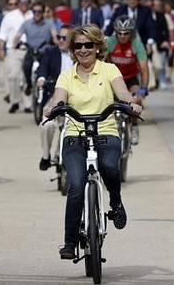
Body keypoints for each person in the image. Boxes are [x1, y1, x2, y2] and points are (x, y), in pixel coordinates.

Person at [43, 25, 142, 260]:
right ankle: (69, 242)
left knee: (109, 166)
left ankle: (115, 201)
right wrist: (52, 108)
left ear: (98, 47)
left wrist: (132, 103)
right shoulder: (67, 75)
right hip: (75, 134)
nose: (84, 50)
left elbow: (123, 93)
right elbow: (59, 99)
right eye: (78, 45)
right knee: (76, 185)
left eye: (89, 45)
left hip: (105, 130)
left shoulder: (109, 70)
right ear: (72, 49)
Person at [35, 25, 74, 171]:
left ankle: (63, 155)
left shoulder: (78, 54)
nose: (61, 41)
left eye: (65, 38)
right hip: (54, 95)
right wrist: (41, 78)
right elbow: (42, 68)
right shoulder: (50, 52)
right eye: (59, 37)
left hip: (75, 98)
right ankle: (46, 156)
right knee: (47, 124)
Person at [105, 15, 148, 145]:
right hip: (114, 78)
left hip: (131, 79)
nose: (123, 36)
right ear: (116, 32)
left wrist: (143, 88)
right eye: (120, 33)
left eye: (126, 33)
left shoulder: (136, 43)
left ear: (131, 33)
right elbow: (101, 61)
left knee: (137, 99)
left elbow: (144, 68)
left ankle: (134, 127)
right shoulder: (111, 42)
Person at [13, 1, 57, 104]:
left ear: (43, 12)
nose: (37, 13)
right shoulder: (26, 23)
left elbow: (54, 35)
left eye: (39, 11)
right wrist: (15, 44)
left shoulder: (49, 23)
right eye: (34, 11)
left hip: (44, 52)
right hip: (31, 51)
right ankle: (28, 83)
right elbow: (18, 35)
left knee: (47, 69)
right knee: (26, 66)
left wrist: (57, 41)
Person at [0, 0, 33, 113]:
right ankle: (15, 101)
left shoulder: (33, 15)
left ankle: (28, 104)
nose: (23, 5)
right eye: (21, 2)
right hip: (13, 50)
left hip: (29, 50)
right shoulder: (9, 16)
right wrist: (1, 49)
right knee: (13, 76)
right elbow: (3, 34)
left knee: (27, 77)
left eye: (26, 2)